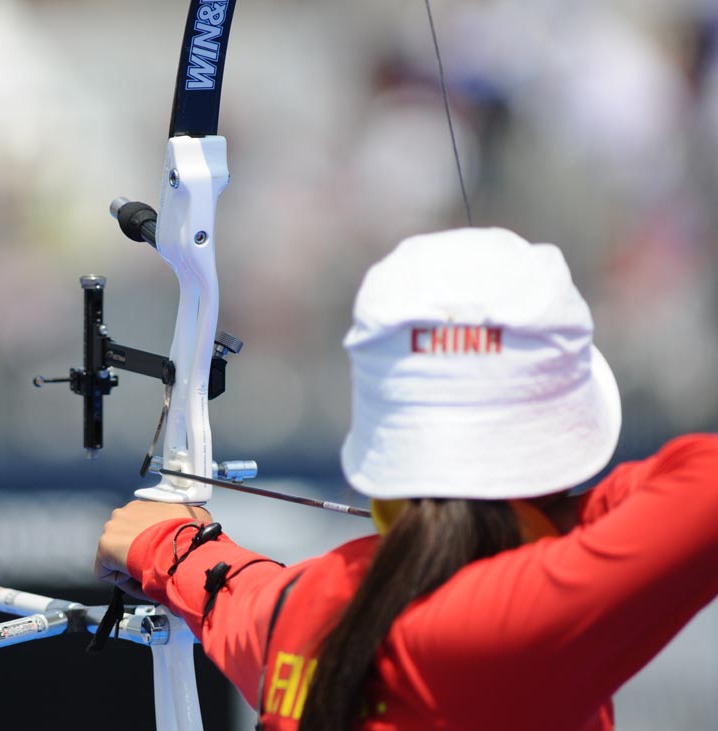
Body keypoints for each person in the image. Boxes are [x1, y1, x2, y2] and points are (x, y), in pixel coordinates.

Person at [93, 227, 718, 731]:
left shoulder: (308, 609)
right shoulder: (524, 622)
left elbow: (239, 593)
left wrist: (167, 542)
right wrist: (542, 519)